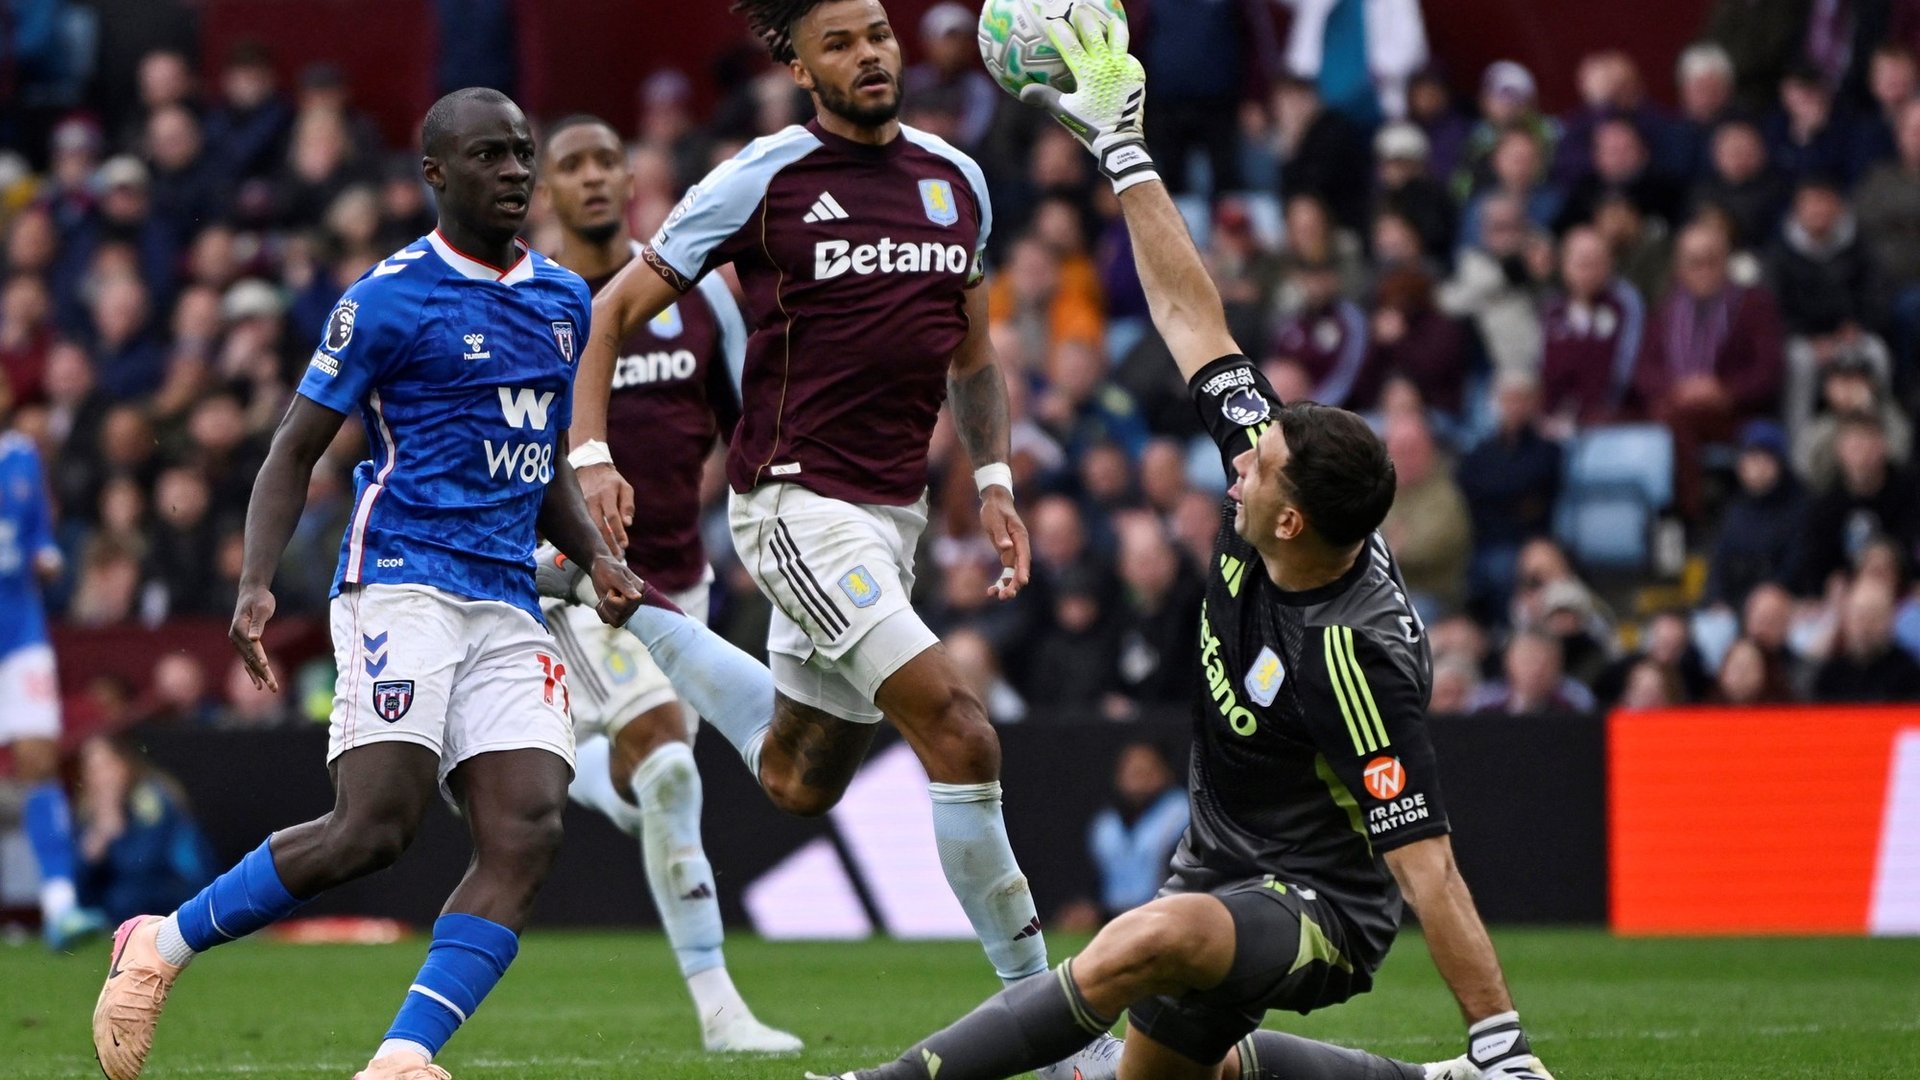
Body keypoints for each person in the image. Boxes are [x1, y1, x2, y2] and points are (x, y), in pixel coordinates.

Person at [810, 8, 1556, 1079]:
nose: (1239, 464)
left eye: (1256, 470)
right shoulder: (1279, 472)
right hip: (1218, 859)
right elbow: (1194, 320)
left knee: (1143, 942)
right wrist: (1124, 152)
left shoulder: (1354, 651)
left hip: (1321, 906)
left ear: (1291, 521)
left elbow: (1427, 865)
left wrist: (1502, 1041)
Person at [565, 3, 1119, 1076]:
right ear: (798, 64)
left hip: (891, 513)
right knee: (961, 731)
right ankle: (1060, 1040)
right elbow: (612, 312)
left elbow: (972, 356)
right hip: (792, 504)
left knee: (798, 778)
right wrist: (592, 456)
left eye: (879, 33)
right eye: (842, 43)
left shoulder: (957, 178)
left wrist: (995, 477)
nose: (870, 55)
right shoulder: (760, 177)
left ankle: (629, 609)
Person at [90, 88, 648, 1080]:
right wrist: (257, 580)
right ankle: (159, 944)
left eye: (523, 154)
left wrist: (596, 554)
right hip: (401, 582)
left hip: (508, 598)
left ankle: (400, 1061)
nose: (516, 172)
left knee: (527, 827)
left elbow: (540, 456)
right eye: (490, 156)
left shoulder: (564, 298)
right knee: (372, 829)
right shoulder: (387, 300)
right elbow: (291, 450)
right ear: (435, 174)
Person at [531, 113, 799, 1052]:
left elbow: (747, 428)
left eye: (610, 158)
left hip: (680, 582)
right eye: (573, 164)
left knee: (649, 778)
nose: (596, 176)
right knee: (674, 769)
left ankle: (581, 778)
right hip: (572, 582)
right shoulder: (533, 303)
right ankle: (721, 1012)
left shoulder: (695, 300)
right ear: (545, 194)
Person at [0, 421, 103, 948]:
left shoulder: (22, 456)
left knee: (38, 760)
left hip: (20, 635)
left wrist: (46, 556)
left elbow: (39, 534)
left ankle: (60, 906)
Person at [73, 735, 217, 925]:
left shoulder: (151, 800)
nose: (101, 777)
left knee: (124, 899)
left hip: (179, 888)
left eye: (107, 766)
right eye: (93, 770)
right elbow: (83, 890)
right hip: (131, 895)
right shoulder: (89, 810)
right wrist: (92, 854)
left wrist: (114, 833)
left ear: (124, 765)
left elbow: (143, 864)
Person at [1087, 741, 1190, 919]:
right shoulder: (1106, 824)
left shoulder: (1183, 815)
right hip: (1111, 915)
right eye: (1131, 770)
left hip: (1167, 913)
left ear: (1165, 772)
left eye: (1145, 770)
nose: (1137, 776)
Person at [1813, 576, 1920, 702]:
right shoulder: (1830, 675)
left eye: (1873, 616)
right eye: (1859, 616)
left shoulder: (1908, 674)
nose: (1865, 626)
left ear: (1889, 620)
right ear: (1847, 620)